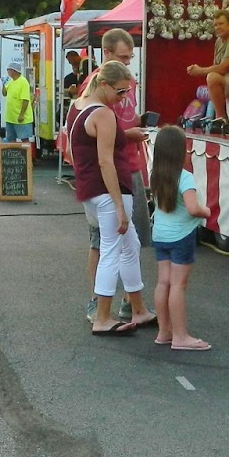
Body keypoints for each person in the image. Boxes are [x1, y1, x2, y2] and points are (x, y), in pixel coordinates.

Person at [71, 28, 152, 321]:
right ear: (106, 56)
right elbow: (102, 156)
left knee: (130, 242)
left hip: (124, 170)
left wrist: (131, 128)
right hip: (108, 180)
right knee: (106, 244)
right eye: (123, 57)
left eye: (131, 57)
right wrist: (117, 202)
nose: (129, 63)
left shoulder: (117, 86)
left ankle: (134, 305)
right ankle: (99, 307)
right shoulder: (93, 97)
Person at [148, 126, 211, 351]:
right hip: (181, 236)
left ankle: (164, 331)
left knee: (163, 282)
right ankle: (180, 336)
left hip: (161, 235)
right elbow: (193, 208)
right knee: (178, 285)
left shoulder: (155, 174)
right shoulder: (185, 177)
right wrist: (207, 211)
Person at [2, 65, 35, 144]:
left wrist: (21, 114)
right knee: (11, 139)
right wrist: (3, 84)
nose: (8, 72)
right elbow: (4, 93)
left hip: (21, 118)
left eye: (9, 70)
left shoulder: (23, 82)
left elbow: (25, 100)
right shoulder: (11, 81)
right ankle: (14, 155)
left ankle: (27, 155)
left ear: (14, 71)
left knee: (24, 138)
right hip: (10, 118)